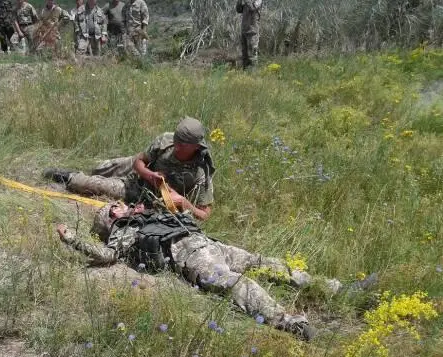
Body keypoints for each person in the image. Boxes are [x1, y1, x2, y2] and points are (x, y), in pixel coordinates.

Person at [56, 201, 324, 340]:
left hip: (207, 243)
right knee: (237, 284)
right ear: (112, 217)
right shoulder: (124, 231)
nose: (122, 204)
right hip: (190, 255)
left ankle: (329, 286)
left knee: (267, 263)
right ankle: (291, 324)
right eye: (115, 206)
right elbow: (107, 255)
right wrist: (71, 239)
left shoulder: (146, 214)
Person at [44, 117, 216, 221]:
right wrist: (149, 175)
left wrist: (183, 203)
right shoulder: (166, 141)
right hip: (140, 175)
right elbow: (138, 162)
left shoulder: (201, 170)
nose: (176, 146)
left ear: (195, 146)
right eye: (176, 141)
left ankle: (69, 177)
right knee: (100, 167)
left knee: (95, 185)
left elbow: (205, 215)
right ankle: (90, 167)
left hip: (144, 195)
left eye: (182, 144)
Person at [236, 0, 261, 69]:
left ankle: (253, 74)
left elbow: (252, 8)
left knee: (252, 55)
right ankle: (245, 73)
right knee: (244, 54)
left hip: (252, 32)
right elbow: (238, 10)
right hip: (244, 30)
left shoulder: (258, 1)